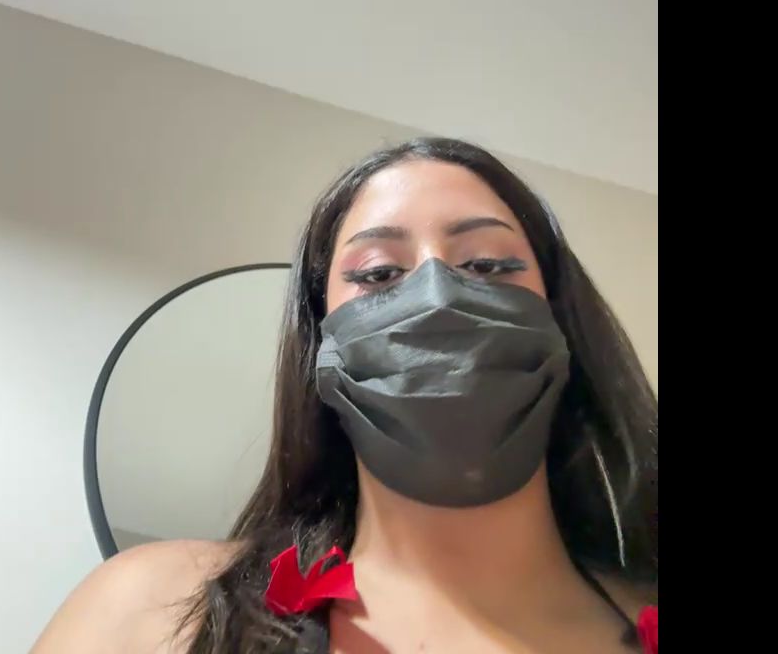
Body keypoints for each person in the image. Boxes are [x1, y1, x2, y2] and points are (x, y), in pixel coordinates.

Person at [32, 138, 658, 653]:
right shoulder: (153, 610)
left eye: (488, 265)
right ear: (321, 345)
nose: (437, 295)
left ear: (562, 322)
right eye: (379, 274)